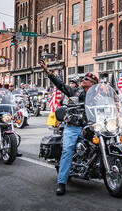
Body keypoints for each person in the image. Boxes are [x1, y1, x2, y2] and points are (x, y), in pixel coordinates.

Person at [40, 59, 98, 196]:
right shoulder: (75, 92)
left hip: (92, 126)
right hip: (74, 127)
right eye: (84, 78)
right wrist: (48, 72)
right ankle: (61, 183)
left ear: (93, 84)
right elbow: (60, 85)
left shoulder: (97, 96)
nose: (84, 79)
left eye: (87, 79)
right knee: (67, 150)